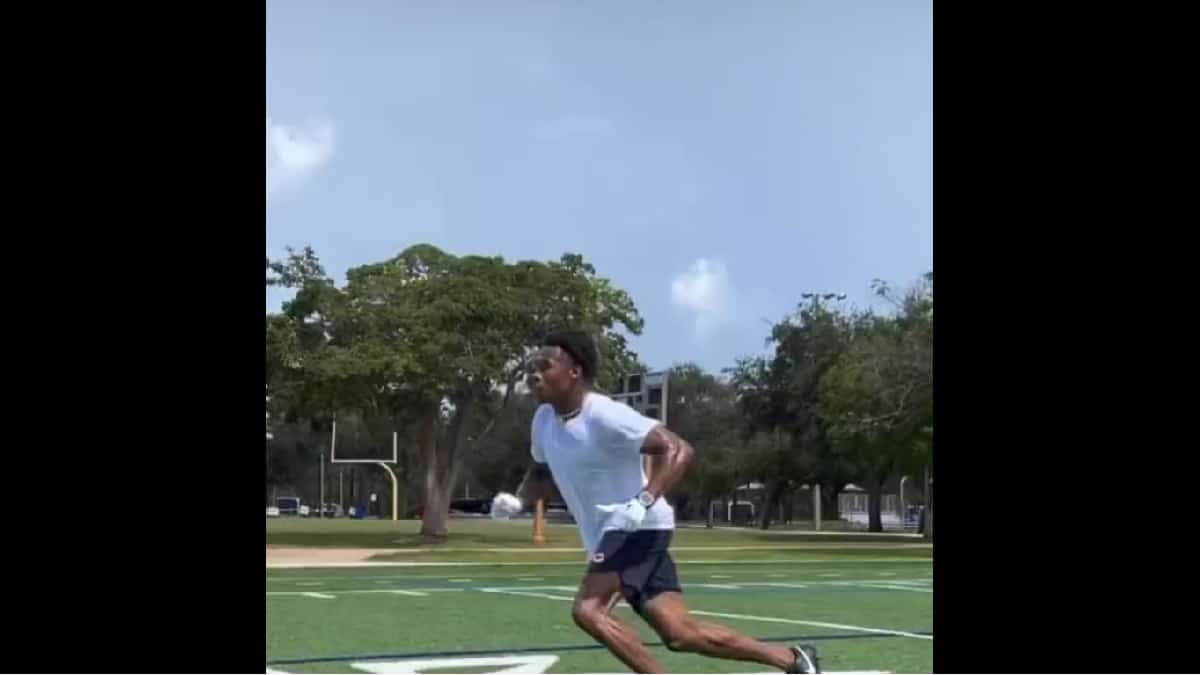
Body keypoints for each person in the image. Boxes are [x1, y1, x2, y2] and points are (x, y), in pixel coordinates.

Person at [491, 330, 820, 674]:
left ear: (575, 371)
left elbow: (678, 450)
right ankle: (793, 659)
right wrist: (518, 501)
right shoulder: (544, 420)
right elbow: (541, 471)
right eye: (531, 366)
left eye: (545, 365)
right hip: (613, 535)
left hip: (636, 527)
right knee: (680, 634)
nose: (534, 374)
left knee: (589, 610)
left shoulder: (604, 415)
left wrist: (643, 501)